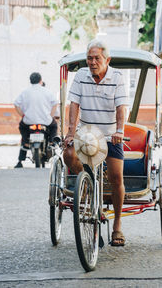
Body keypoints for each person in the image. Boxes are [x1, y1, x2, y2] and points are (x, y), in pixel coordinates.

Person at [64, 39, 129, 246]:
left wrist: (120, 131)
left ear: (107, 60)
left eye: (97, 58)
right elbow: (74, 104)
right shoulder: (81, 75)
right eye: (89, 58)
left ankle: (117, 226)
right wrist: (70, 132)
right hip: (87, 134)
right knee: (68, 155)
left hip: (111, 135)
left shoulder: (117, 76)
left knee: (116, 177)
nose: (92, 62)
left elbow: (121, 107)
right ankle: (88, 186)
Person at [14, 72, 58, 168]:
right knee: (54, 126)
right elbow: (55, 103)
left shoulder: (25, 92)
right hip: (45, 121)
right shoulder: (47, 91)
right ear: (40, 80)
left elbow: (16, 104)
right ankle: (51, 142)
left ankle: (25, 143)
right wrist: (50, 115)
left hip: (28, 121)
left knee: (22, 127)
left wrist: (23, 115)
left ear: (30, 81)